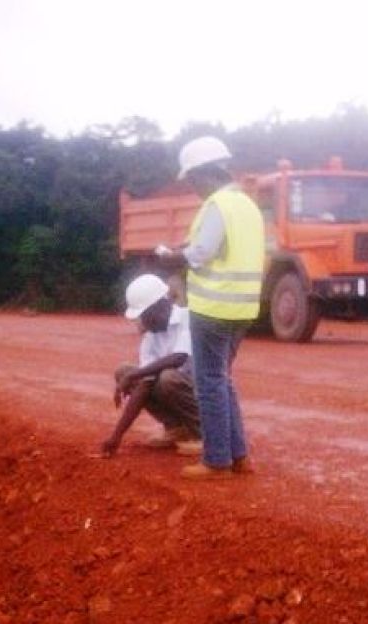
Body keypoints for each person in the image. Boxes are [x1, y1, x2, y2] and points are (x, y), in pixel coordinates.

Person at [155, 136, 264, 480]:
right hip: (243, 307)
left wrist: (169, 256)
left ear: (204, 173)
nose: (193, 188)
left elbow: (202, 253)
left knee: (209, 382)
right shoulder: (246, 204)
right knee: (222, 380)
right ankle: (238, 457)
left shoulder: (219, 204)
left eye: (192, 180)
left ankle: (217, 460)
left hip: (214, 305)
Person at [100, 274, 201, 458]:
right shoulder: (151, 338)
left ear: (159, 306)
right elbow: (144, 385)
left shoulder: (187, 318)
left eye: (143, 315)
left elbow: (178, 358)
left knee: (167, 377)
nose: (141, 322)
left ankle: (203, 434)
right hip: (177, 390)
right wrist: (117, 436)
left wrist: (135, 375)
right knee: (125, 371)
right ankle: (176, 429)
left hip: (202, 393)